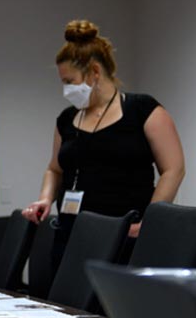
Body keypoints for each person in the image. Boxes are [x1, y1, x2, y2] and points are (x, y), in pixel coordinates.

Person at [22, 19, 185, 264]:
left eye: (70, 82)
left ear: (95, 73)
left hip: (124, 237)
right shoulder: (67, 119)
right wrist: (45, 198)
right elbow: (54, 169)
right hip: (71, 236)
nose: (66, 90)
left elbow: (174, 169)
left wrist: (149, 222)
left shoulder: (143, 110)